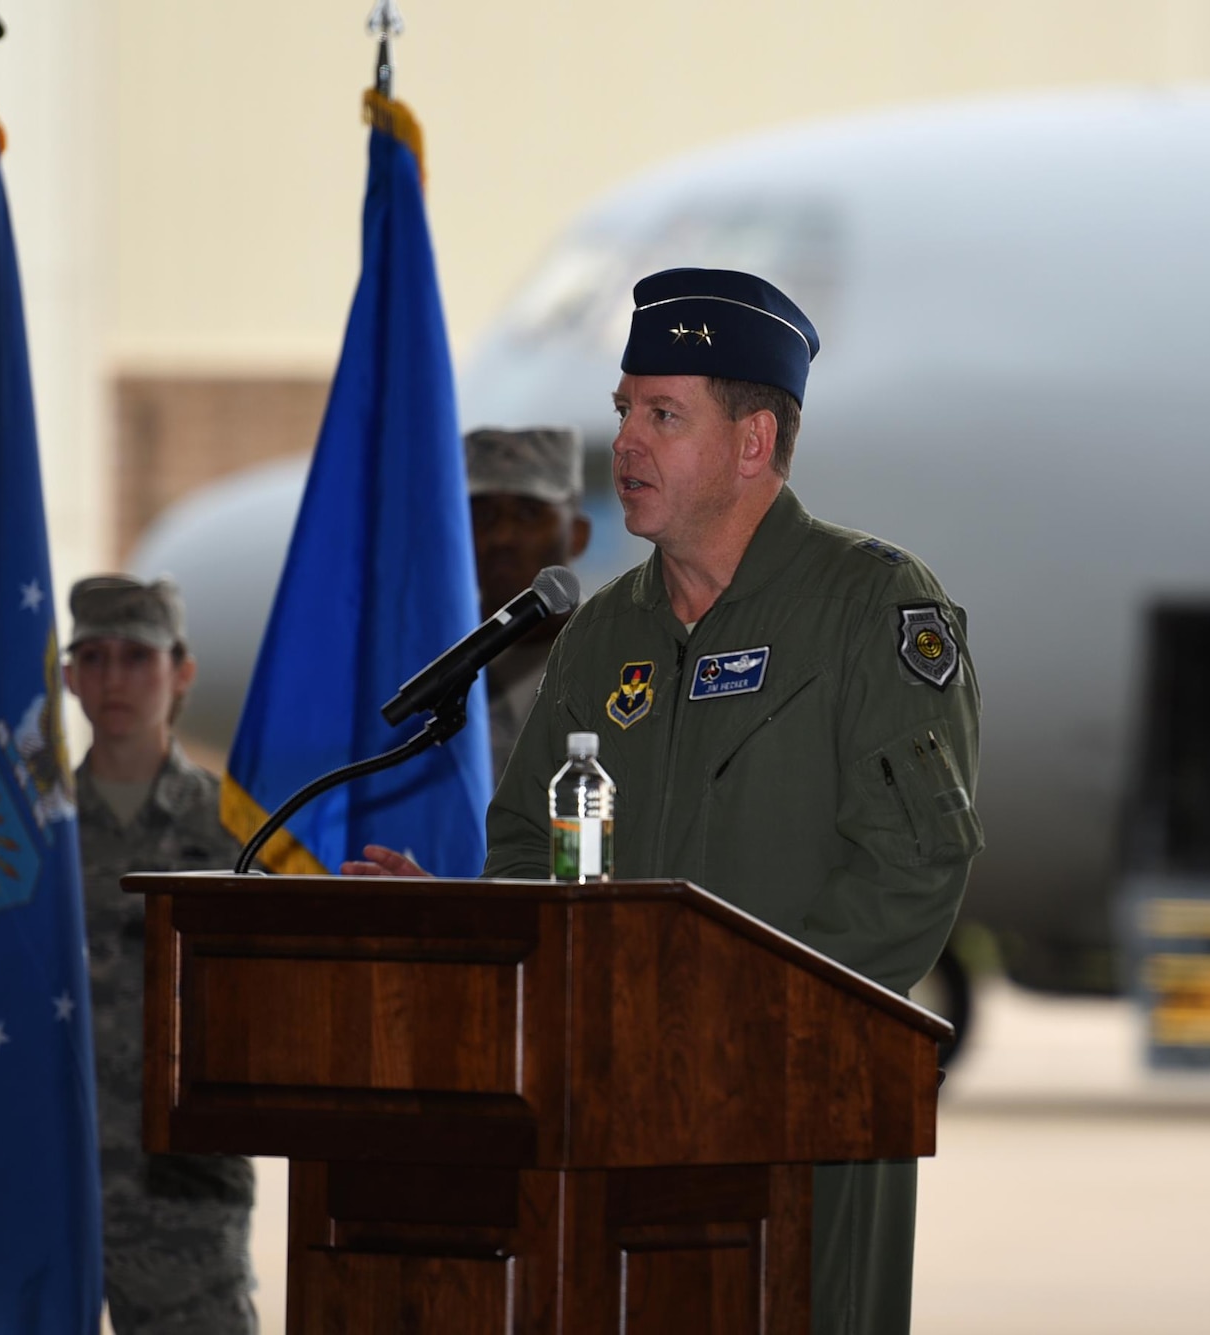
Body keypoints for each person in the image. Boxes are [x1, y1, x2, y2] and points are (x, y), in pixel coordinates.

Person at [346, 267, 982, 1335]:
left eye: (662, 415)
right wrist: (461, 922)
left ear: (751, 442)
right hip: (613, 1124)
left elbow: (910, 872)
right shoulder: (601, 635)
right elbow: (528, 858)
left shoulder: (871, 605)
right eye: (623, 412)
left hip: (797, 1115)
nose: (624, 444)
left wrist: (726, 1030)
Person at [64, 576, 257, 1334]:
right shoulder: (18, 838)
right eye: (95, 657)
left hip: (183, 1194)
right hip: (44, 1178)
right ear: (69, 676)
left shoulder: (236, 833)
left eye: (137, 657)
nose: (114, 679)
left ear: (181, 672)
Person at [464, 425, 592, 787]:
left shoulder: (615, 655)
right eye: (483, 517)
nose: (502, 537)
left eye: (528, 514)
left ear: (579, 535)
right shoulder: (427, 663)